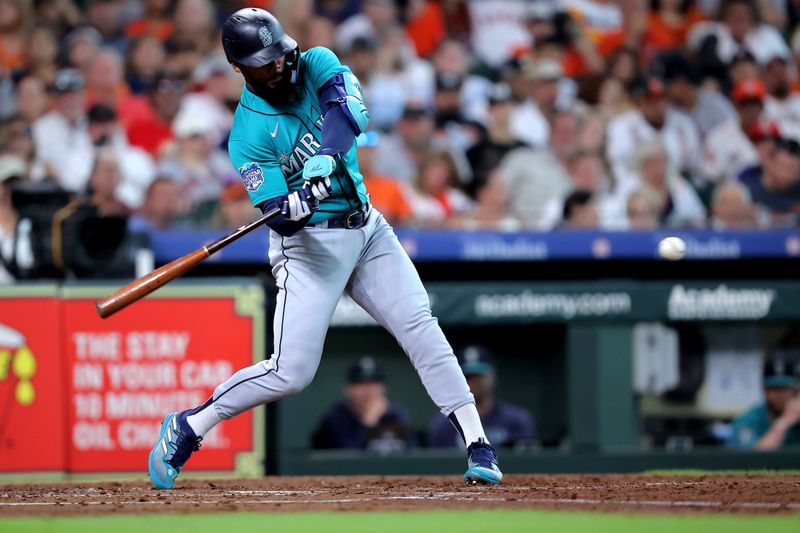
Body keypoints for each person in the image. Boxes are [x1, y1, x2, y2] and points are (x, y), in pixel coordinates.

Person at [147, 8, 502, 489]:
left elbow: (349, 112)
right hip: (311, 250)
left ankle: (478, 445)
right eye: (264, 63)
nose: (278, 67)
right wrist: (293, 206)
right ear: (239, 69)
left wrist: (324, 161)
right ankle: (190, 426)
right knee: (290, 373)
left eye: (278, 55)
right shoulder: (247, 135)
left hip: (368, 229)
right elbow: (281, 217)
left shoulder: (315, 61)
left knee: (420, 326)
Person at [428, 346, 536, 449]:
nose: (474, 381)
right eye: (469, 376)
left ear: (493, 376)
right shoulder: (444, 425)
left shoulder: (516, 420)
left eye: (480, 375)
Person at [312, 356, 411, 452]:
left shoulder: (395, 415)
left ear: (384, 388)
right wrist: (369, 421)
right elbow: (349, 461)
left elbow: (414, 455)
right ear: (347, 389)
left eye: (374, 382)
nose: (368, 390)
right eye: (361, 383)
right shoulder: (336, 418)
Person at [728, 357, 800, 449]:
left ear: (795, 389)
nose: (780, 395)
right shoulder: (748, 420)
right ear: (763, 390)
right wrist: (783, 423)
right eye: (774, 388)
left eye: (784, 388)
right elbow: (753, 458)